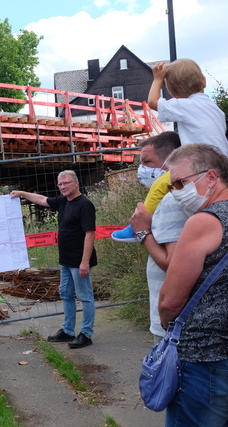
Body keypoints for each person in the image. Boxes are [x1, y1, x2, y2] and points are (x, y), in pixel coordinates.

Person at [112, 59, 228, 242]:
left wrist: (157, 79)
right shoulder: (214, 109)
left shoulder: (185, 105)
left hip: (202, 163)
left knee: (160, 185)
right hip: (222, 163)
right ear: (204, 82)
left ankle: (139, 226)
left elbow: (152, 101)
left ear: (173, 93)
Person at [158, 144, 228, 425]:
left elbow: (170, 301)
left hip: (205, 357)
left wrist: (166, 322)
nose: (176, 192)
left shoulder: (204, 222)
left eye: (180, 183)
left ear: (211, 177)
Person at [11, 170, 97, 349]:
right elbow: (42, 200)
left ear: (75, 183)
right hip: (66, 260)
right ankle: (67, 331)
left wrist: (84, 262)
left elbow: (90, 234)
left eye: (66, 183)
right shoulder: (63, 201)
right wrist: (21, 194)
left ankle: (86, 334)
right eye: (60, 184)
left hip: (79, 261)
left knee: (85, 297)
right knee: (66, 294)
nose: (63, 187)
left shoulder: (85, 204)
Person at [126, 132, 187, 342]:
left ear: (170, 160)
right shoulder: (174, 197)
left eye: (147, 161)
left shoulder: (172, 200)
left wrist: (142, 232)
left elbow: (174, 265)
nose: (142, 169)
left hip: (171, 325)